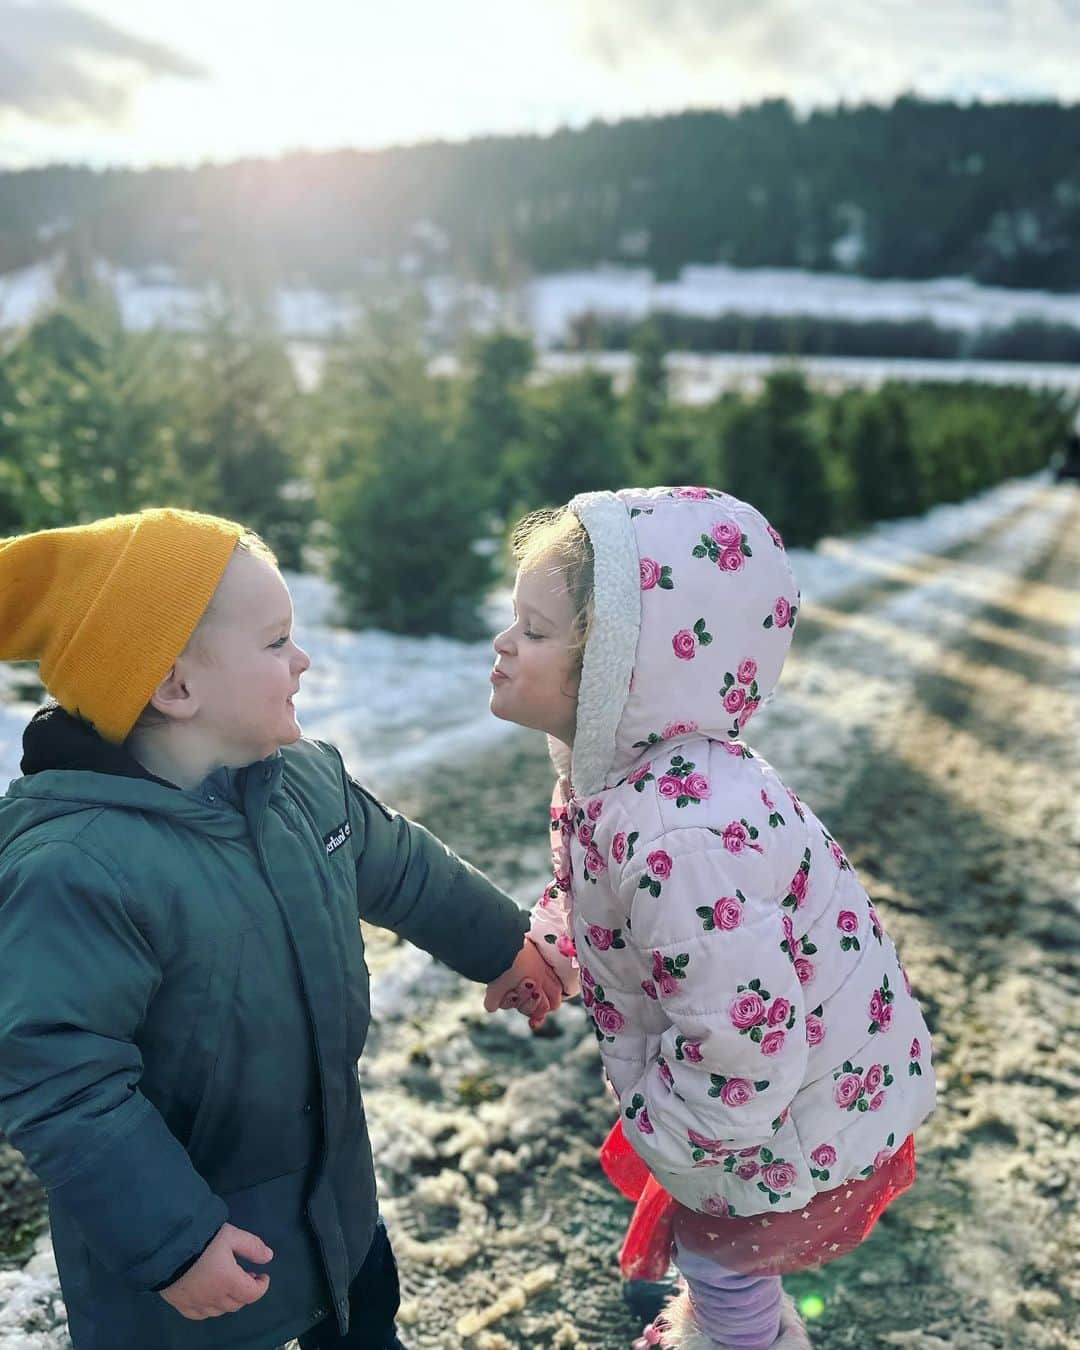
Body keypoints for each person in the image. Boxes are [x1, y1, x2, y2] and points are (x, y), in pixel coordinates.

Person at [0, 508, 559, 1350]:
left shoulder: (301, 785)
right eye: (275, 643)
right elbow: (63, 1083)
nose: (302, 660)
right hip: (189, 1284)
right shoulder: (77, 867)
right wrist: (173, 1242)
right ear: (176, 686)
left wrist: (503, 945)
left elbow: (405, 868)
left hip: (334, 1217)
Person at [484, 487, 936, 1349]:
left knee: (723, 1267)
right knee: (720, 1264)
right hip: (754, 1104)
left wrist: (662, 1132)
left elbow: (746, 1040)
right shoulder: (625, 779)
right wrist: (551, 946)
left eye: (537, 632)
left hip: (782, 1109)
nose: (504, 646)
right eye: (515, 621)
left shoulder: (676, 832)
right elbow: (602, 903)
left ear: (626, 663)